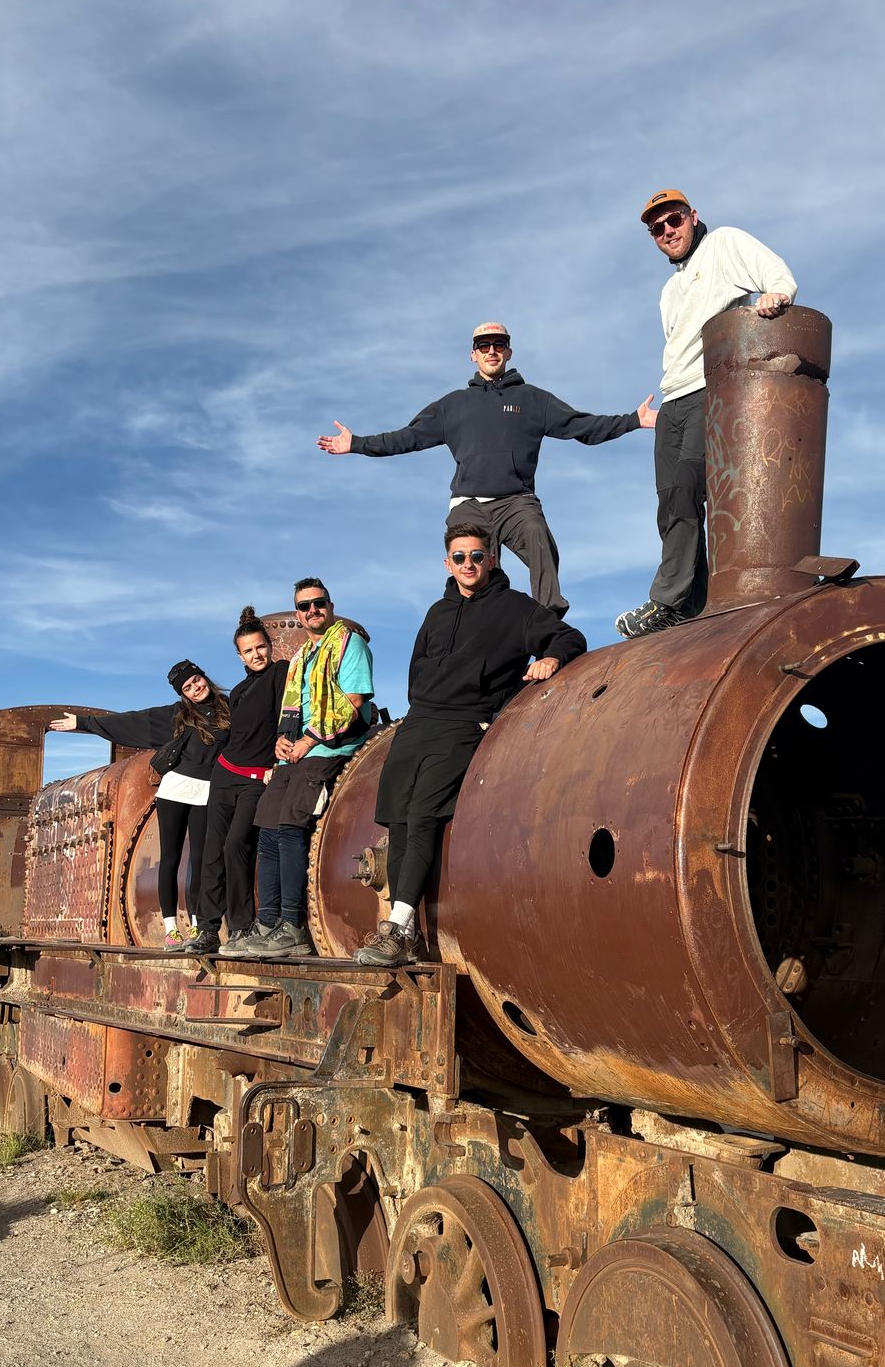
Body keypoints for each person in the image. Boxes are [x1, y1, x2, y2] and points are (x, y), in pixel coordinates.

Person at [355, 524, 585, 965]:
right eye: (459, 557)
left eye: (477, 556)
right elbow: (416, 666)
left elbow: (567, 636)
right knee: (398, 822)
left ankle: (398, 929)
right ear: (447, 563)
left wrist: (551, 658)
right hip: (418, 723)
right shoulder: (436, 612)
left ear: (492, 559)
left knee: (423, 815)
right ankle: (404, 934)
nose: (468, 565)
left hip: (464, 723)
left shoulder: (516, 608)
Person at [317, 322, 657, 616]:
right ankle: (474, 622)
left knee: (540, 538)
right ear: (473, 354)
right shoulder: (452, 406)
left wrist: (632, 421)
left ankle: (547, 619)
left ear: (508, 352)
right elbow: (407, 438)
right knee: (473, 565)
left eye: (498, 345)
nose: (491, 351)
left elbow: (580, 425)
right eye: (483, 346)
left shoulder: (533, 399)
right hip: (469, 504)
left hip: (516, 501)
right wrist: (357, 443)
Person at [616, 190, 798, 640]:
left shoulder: (724, 245)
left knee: (687, 486)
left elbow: (775, 271)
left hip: (708, 390)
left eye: (673, 220)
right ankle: (692, 604)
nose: (667, 232)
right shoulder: (669, 289)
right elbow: (676, 345)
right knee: (669, 504)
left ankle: (666, 600)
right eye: (656, 229)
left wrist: (778, 293)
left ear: (693, 217)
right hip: (674, 398)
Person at [49, 661, 231, 946]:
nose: (196, 688)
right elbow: (132, 721)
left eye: (197, 680)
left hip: (208, 792)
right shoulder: (177, 716)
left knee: (200, 860)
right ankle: (171, 929)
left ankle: (198, 926)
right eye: (188, 687)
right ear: (183, 694)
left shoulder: (228, 709)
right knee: (170, 859)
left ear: (204, 677)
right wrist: (84, 723)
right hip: (175, 790)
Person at [248, 580, 375, 959]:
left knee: (290, 827)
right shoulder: (303, 655)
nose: (311, 610)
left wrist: (307, 741)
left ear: (330, 605)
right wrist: (283, 742)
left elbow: (353, 703)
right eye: (303, 606)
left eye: (318, 603)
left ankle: (293, 925)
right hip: (299, 750)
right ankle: (268, 922)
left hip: (331, 745)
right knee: (267, 828)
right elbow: (293, 708)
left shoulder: (348, 644)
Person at [185, 610, 281, 957]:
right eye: (248, 651)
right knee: (211, 853)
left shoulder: (280, 674)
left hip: (257, 778)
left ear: (269, 646)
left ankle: (241, 927)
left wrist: (277, 762)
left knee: (236, 844)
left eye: (260, 647)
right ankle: (209, 929)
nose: (256, 655)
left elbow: (290, 716)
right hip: (226, 774)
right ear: (239, 655)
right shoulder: (238, 691)